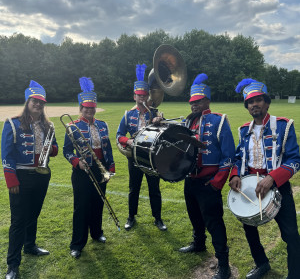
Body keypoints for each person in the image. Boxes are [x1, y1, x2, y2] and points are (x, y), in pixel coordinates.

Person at [229, 79, 300, 279]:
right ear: (247, 107)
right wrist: (235, 174)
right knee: (250, 231)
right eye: (250, 102)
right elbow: (238, 157)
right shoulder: (244, 130)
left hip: (278, 187)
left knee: (291, 235)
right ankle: (262, 264)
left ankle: (295, 274)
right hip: (249, 186)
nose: (254, 104)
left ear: (266, 103)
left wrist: (272, 178)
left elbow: (295, 159)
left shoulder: (284, 126)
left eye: (258, 100)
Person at [179, 73, 235, 279]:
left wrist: (217, 182)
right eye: (192, 102)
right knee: (194, 215)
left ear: (207, 100)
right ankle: (199, 244)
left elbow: (229, 155)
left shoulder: (219, 121)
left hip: (209, 183)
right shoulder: (188, 122)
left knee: (214, 223)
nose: (194, 105)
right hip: (190, 180)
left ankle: (223, 263)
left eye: (198, 101)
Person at [1, 80, 58, 279]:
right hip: (21, 177)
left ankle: (30, 245)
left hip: (41, 176)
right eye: (35, 101)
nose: (38, 105)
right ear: (28, 101)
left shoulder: (48, 126)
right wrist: (11, 180)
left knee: (33, 215)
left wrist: (49, 149)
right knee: (18, 221)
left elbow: (55, 150)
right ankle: (13, 265)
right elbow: (6, 155)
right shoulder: (12, 123)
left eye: (41, 102)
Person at [63, 77, 115, 259]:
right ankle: (77, 243)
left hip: (101, 169)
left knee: (98, 202)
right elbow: (66, 151)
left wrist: (111, 167)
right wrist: (77, 162)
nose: (90, 110)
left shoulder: (102, 125)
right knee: (81, 207)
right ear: (81, 108)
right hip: (82, 172)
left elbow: (107, 148)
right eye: (86, 107)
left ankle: (96, 232)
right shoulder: (72, 126)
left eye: (92, 107)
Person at [116, 64, 166, 231]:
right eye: (139, 96)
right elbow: (119, 135)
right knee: (133, 188)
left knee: (154, 189)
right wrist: (129, 142)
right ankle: (131, 217)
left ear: (147, 96)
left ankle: (158, 218)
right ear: (134, 97)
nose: (142, 99)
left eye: (145, 96)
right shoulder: (127, 115)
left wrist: (160, 122)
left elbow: (162, 133)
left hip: (153, 157)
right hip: (135, 157)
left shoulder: (155, 113)